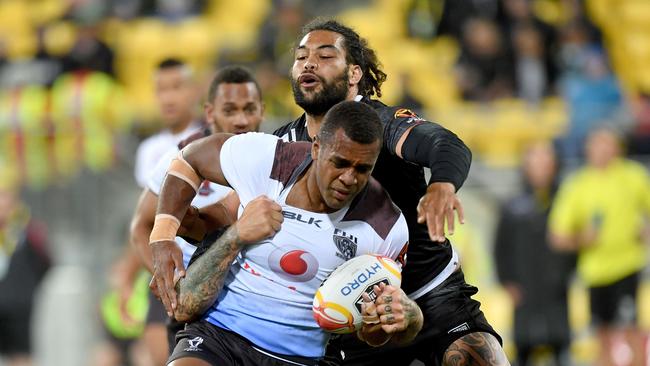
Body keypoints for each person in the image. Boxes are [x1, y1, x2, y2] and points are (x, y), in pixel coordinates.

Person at [151, 18, 508, 366]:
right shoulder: (281, 148)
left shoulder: (377, 125)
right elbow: (229, 212)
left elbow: (444, 144)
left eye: (324, 56)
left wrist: (442, 185)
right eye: (302, 56)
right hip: (351, 313)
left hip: (431, 295)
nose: (309, 62)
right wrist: (177, 233)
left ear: (354, 74)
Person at [153, 101, 418, 365]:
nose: (349, 178)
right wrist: (163, 237)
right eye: (340, 163)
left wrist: (385, 324)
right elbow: (190, 160)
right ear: (317, 148)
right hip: (218, 336)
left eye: (363, 169)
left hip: (299, 359)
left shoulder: (386, 226)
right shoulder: (270, 160)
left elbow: (374, 332)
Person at [549, 128, 650, 366]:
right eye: (597, 144)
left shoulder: (634, 176)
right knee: (601, 337)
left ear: (618, 147)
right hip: (594, 273)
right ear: (588, 149)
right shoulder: (578, 185)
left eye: (608, 143)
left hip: (628, 267)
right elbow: (557, 236)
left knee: (631, 333)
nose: (603, 150)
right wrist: (582, 238)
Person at [494, 142, 575, 366]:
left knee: (560, 346)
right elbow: (501, 247)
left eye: (546, 162)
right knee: (524, 347)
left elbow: (574, 242)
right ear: (526, 167)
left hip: (556, 288)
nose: (541, 168)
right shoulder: (512, 205)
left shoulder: (567, 200)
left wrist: (568, 274)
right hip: (524, 287)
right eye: (535, 162)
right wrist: (506, 281)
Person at [0, 170, 50, 366]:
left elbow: (44, 261)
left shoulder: (27, 229)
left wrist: (25, 289)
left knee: (21, 356)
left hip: (18, 307)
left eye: (5, 195)